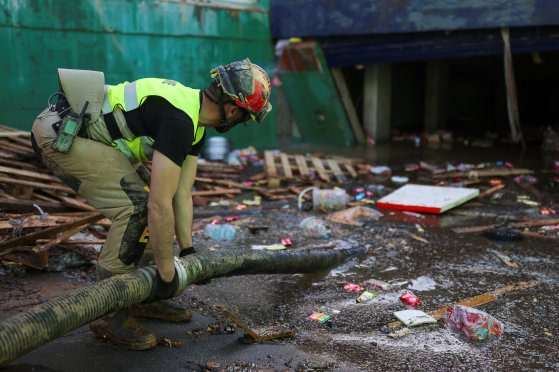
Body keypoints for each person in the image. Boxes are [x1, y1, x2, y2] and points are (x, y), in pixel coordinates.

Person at [30, 58, 272, 350]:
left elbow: (181, 193)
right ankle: (109, 312)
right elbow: (158, 204)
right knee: (136, 208)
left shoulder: (193, 123)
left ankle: (140, 296)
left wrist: (188, 250)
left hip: (83, 132)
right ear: (233, 110)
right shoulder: (180, 120)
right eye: (245, 117)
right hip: (63, 132)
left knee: (146, 203)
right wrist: (168, 273)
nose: (240, 122)